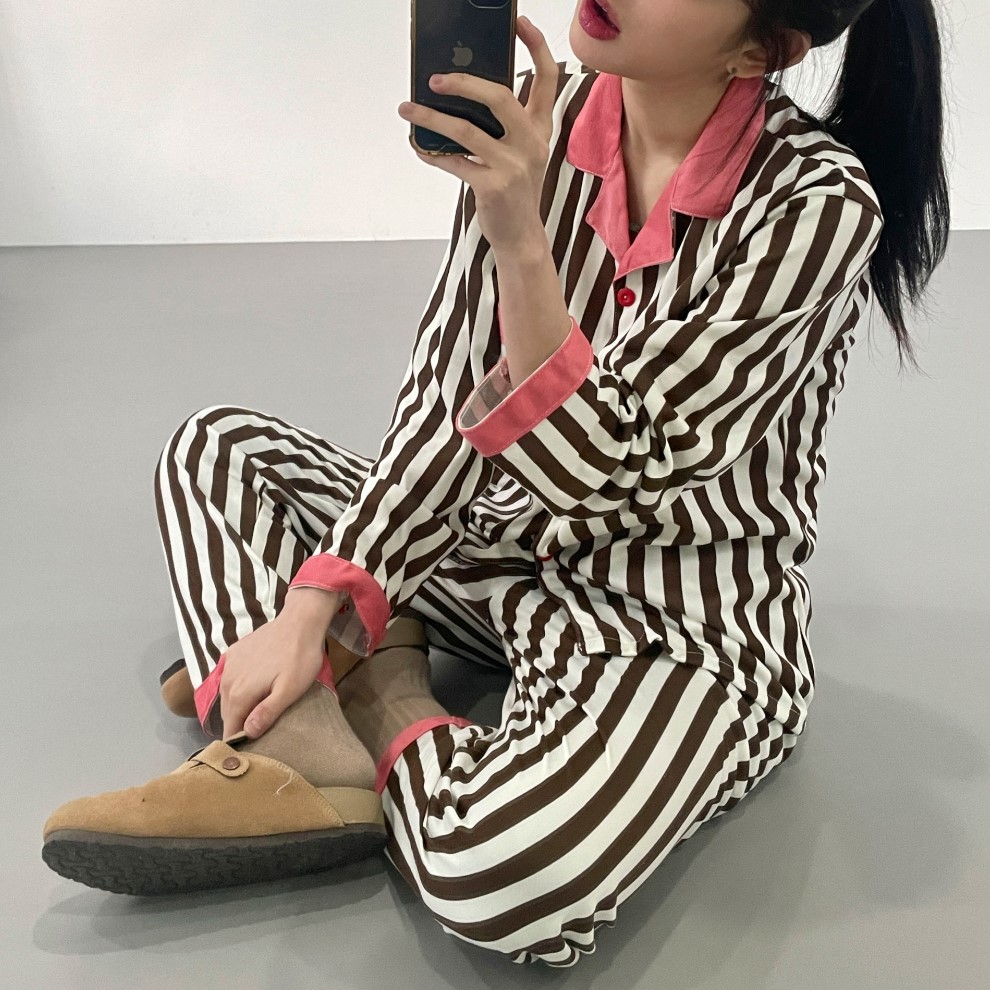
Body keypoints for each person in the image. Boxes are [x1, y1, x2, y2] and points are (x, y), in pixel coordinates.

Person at [41, 0, 949, 969]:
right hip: (501, 547)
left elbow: (620, 470)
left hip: (673, 620)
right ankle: (298, 741)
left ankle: (377, 694)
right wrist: (317, 603)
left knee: (499, 876)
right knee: (214, 451)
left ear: (761, 47)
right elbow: (446, 393)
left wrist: (520, 238)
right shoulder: (541, 117)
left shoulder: (818, 206)